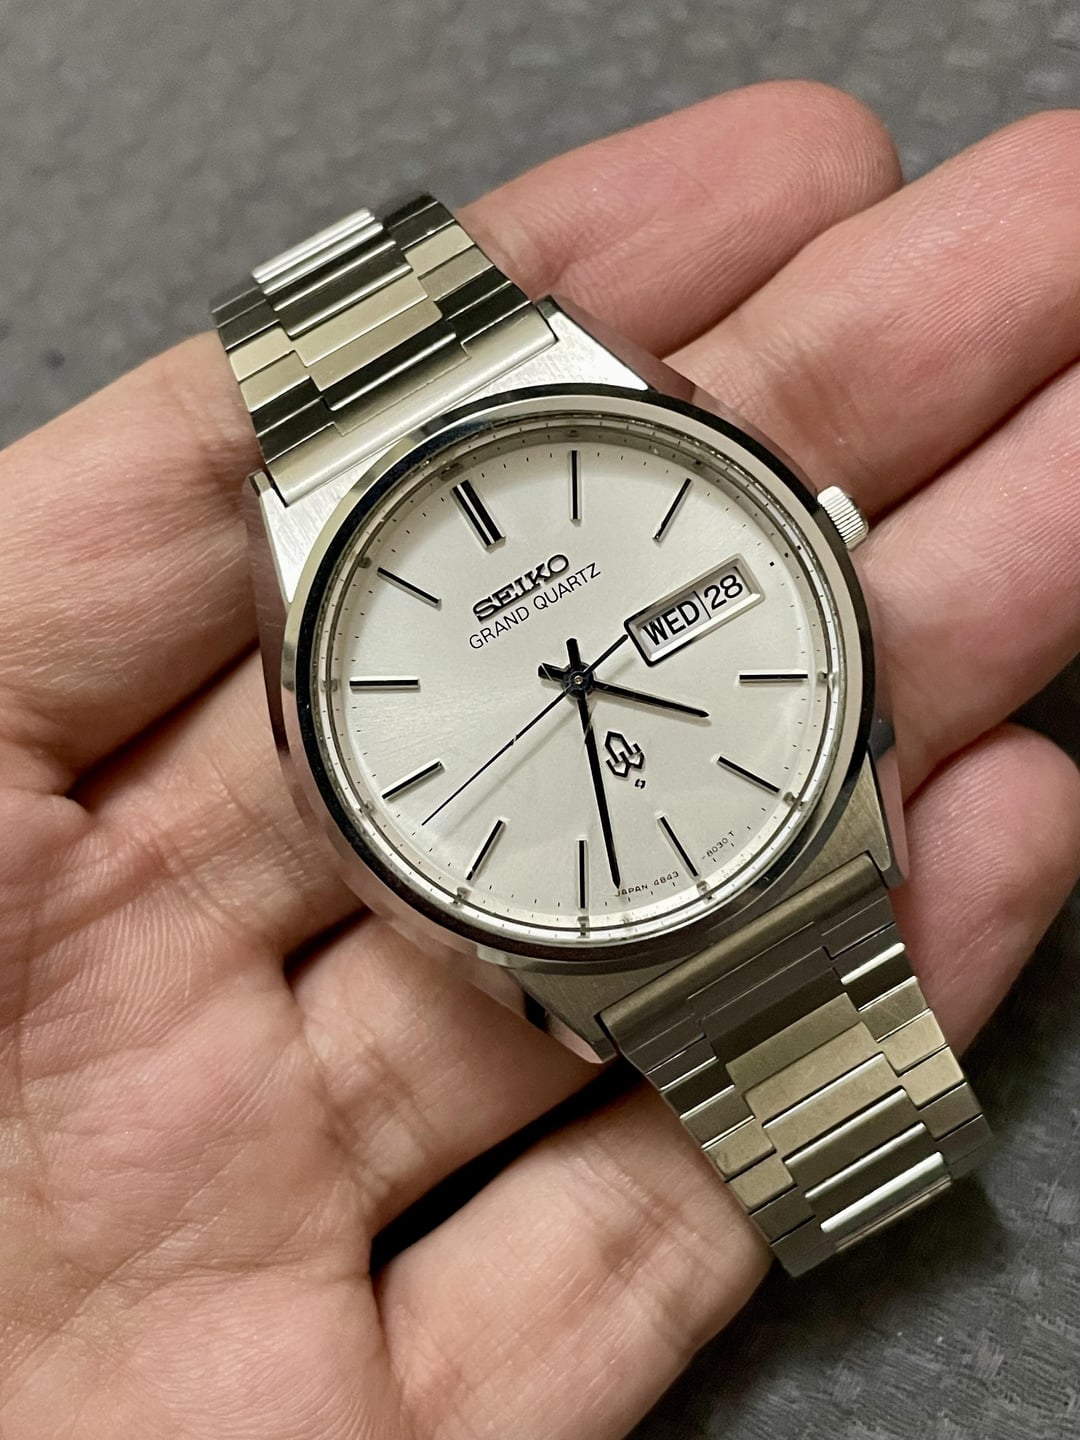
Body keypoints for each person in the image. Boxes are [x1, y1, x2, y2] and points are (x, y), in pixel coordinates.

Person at [1, 80, 1078, 1439]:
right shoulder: (337, 696)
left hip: (801, 808)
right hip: (613, 931)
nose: (571, 676)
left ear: (818, 524)